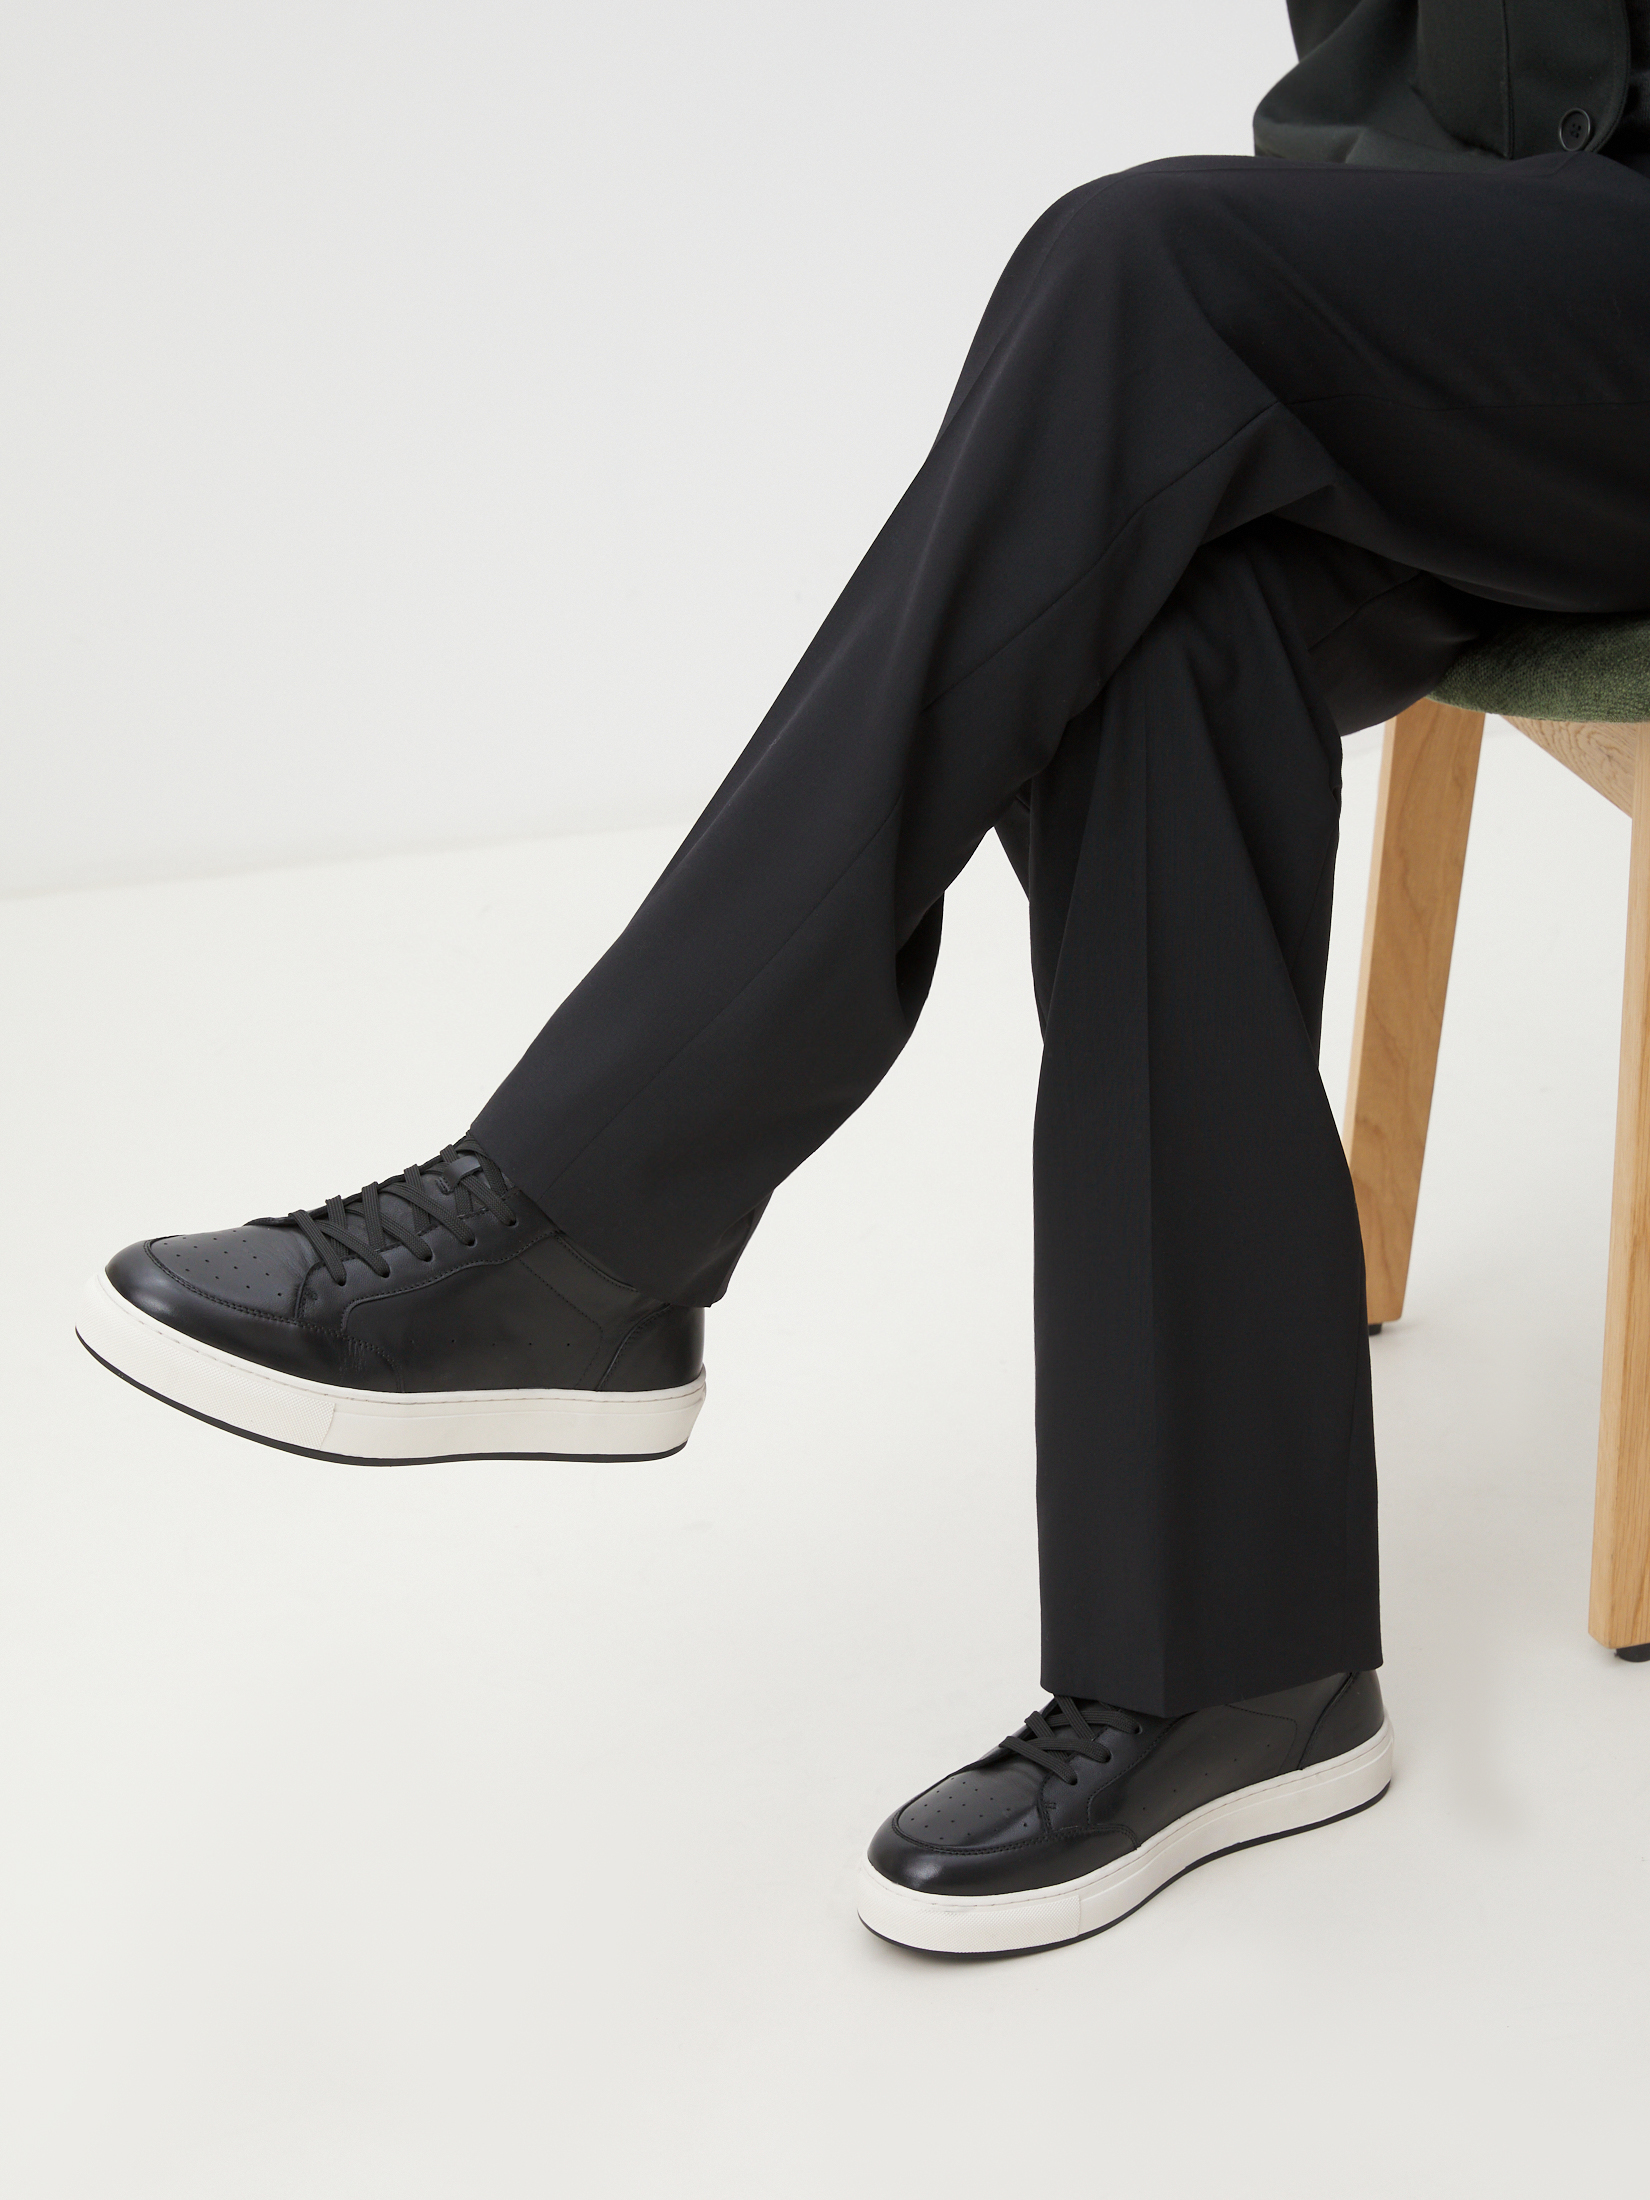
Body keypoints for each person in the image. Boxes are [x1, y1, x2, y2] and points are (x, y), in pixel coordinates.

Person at [76, 1, 1650, 1955]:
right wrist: (1387, 272)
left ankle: (589, 1217)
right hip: (1524, 291)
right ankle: (1238, 1665)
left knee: (1141, 262)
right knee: (1165, 611)